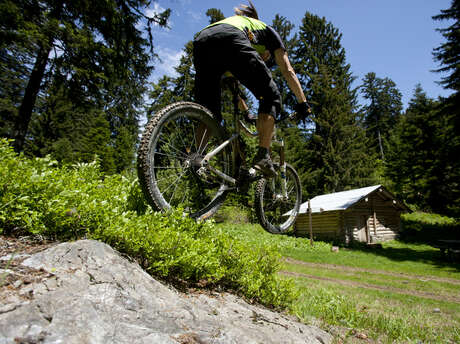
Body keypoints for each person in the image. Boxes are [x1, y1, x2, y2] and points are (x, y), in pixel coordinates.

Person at [193, 1, 310, 177]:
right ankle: (263, 156)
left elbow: (232, 85)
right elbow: (288, 70)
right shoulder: (267, 31)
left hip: (201, 40)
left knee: (211, 113)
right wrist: (302, 103)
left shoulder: (240, 25)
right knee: (271, 96)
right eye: (267, 57)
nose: (265, 59)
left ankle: (194, 158)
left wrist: (246, 111)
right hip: (229, 37)